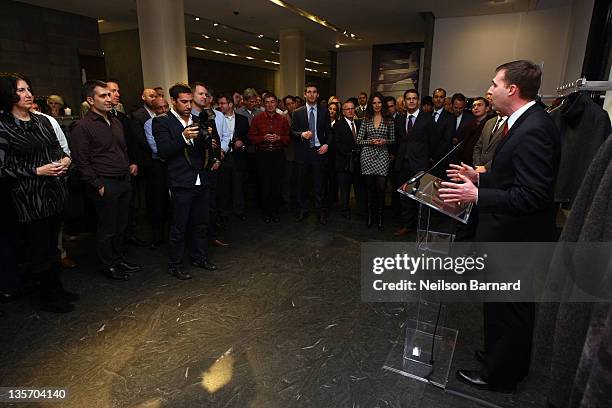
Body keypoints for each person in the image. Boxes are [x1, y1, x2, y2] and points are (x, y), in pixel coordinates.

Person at [439, 60, 561, 392]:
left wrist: (477, 194)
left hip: (516, 239)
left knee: (510, 308)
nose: (489, 90)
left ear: (512, 89)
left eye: (495, 84)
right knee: (501, 305)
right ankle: (501, 356)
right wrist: (480, 175)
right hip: (508, 235)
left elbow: (532, 195)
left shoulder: (535, 128)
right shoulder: (524, 122)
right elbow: (512, 176)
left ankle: (501, 376)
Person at [0, 72, 76, 313]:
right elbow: (2, 169)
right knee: (39, 249)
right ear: (8, 94)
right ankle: (48, 296)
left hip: (54, 191)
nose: (28, 94)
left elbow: (57, 148)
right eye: (21, 90)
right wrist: (36, 170)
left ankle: (56, 288)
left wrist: (65, 160)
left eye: (28, 89)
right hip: (29, 196)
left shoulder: (42, 121)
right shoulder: (3, 126)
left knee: (53, 245)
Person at [71, 80, 143, 281]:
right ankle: (108, 264)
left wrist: (129, 167)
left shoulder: (116, 121)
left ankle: (119, 259)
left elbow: (122, 149)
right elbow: (81, 161)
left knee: (122, 225)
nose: (109, 99)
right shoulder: (82, 126)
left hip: (123, 180)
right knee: (107, 228)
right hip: (105, 182)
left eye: (109, 95)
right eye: (103, 96)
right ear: (90, 100)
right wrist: (98, 185)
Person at [153, 83, 218, 280]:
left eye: (190, 101)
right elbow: (163, 151)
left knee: (201, 223)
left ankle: (199, 257)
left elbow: (203, 149)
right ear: (173, 101)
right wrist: (183, 137)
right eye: (184, 102)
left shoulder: (198, 120)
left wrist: (210, 143)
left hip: (201, 177)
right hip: (181, 180)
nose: (189, 105)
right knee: (179, 226)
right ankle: (175, 264)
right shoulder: (162, 122)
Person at [393, 89, 435, 237]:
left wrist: (427, 160)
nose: (411, 101)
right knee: (404, 198)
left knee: (421, 199)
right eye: (408, 99)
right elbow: (398, 141)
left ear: (418, 101)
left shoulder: (428, 119)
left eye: (414, 98)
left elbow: (432, 142)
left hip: (420, 165)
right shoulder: (399, 119)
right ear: (404, 102)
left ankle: (422, 229)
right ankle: (407, 225)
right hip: (402, 164)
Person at [291, 82, 332, 225]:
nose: (311, 94)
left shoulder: (324, 111)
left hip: (318, 152)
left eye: (314, 92)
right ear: (305, 94)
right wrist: (302, 134)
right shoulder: (297, 112)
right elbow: (292, 133)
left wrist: (327, 144)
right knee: (302, 184)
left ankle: (321, 212)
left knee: (319, 185)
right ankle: (303, 209)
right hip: (303, 153)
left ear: (318, 94)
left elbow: (329, 132)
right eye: (309, 92)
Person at [248, 93, 290, 223]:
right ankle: (266, 212)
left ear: (276, 103)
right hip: (263, 155)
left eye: (272, 102)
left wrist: (279, 138)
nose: (270, 104)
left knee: (277, 183)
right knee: (264, 184)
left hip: (278, 154)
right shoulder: (257, 118)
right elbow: (251, 137)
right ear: (263, 104)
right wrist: (263, 138)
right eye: (267, 102)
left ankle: (275, 211)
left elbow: (288, 138)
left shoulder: (283, 119)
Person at [356, 92, 395, 230]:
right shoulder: (366, 119)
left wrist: (385, 140)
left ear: (382, 104)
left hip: (382, 155)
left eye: (379, 102)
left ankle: (380, 218)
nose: (377, 105)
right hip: (367, 155)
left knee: (381, 189)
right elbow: (359, 140)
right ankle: (369, 217)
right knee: (369, 189)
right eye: (374, 103)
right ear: (371, 104)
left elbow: (393, 139)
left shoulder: (389, 119)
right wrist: (370, 141)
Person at [217, 93, 249, 221]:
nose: (220, 106)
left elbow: (248, 137)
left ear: (230, 104)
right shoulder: (217, 119)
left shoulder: (242, 119)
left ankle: (239, 210)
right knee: (223, 186)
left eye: (223, 103)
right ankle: (223, 212)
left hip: (237, 157)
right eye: (219, 104)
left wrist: (242, 143)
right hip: (222, 156)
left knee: (238, 185)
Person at [332, 100, 363, 219]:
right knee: (345, 189)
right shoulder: (338, 125)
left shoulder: (359, 123)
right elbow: (337, 144)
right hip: (344, 162)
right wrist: (352, 152)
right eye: (347, 109)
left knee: (359, 188)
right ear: (343, 112)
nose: (350, 110)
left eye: (352, 108)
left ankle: (361, 210)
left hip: (358, 163)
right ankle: (345, 211)